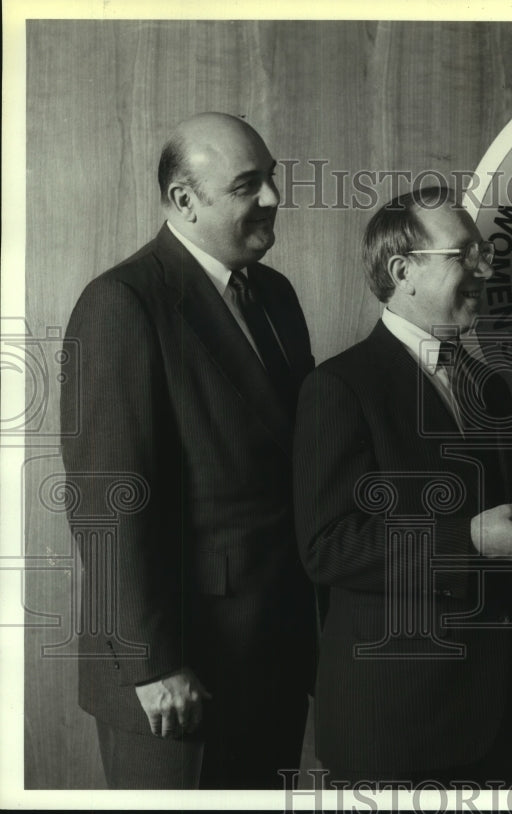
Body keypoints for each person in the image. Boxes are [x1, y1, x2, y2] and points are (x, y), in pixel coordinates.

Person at [59, 112, 317, 789]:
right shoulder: (121, 303)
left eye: (272, 180)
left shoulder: (277, 298)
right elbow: (106, 505)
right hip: (177, 680)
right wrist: (151, 665)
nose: (270, 199)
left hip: (272, 659)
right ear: (184, 200)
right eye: (247, 185)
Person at [293, 186, 512, 785]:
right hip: (396, 722)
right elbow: (327, 545)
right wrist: (465, 540)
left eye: (484, 254)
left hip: (495, 720)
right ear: (402, 271)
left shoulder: (488, 387)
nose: (484, 270)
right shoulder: (338, 387)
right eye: (463, 254)